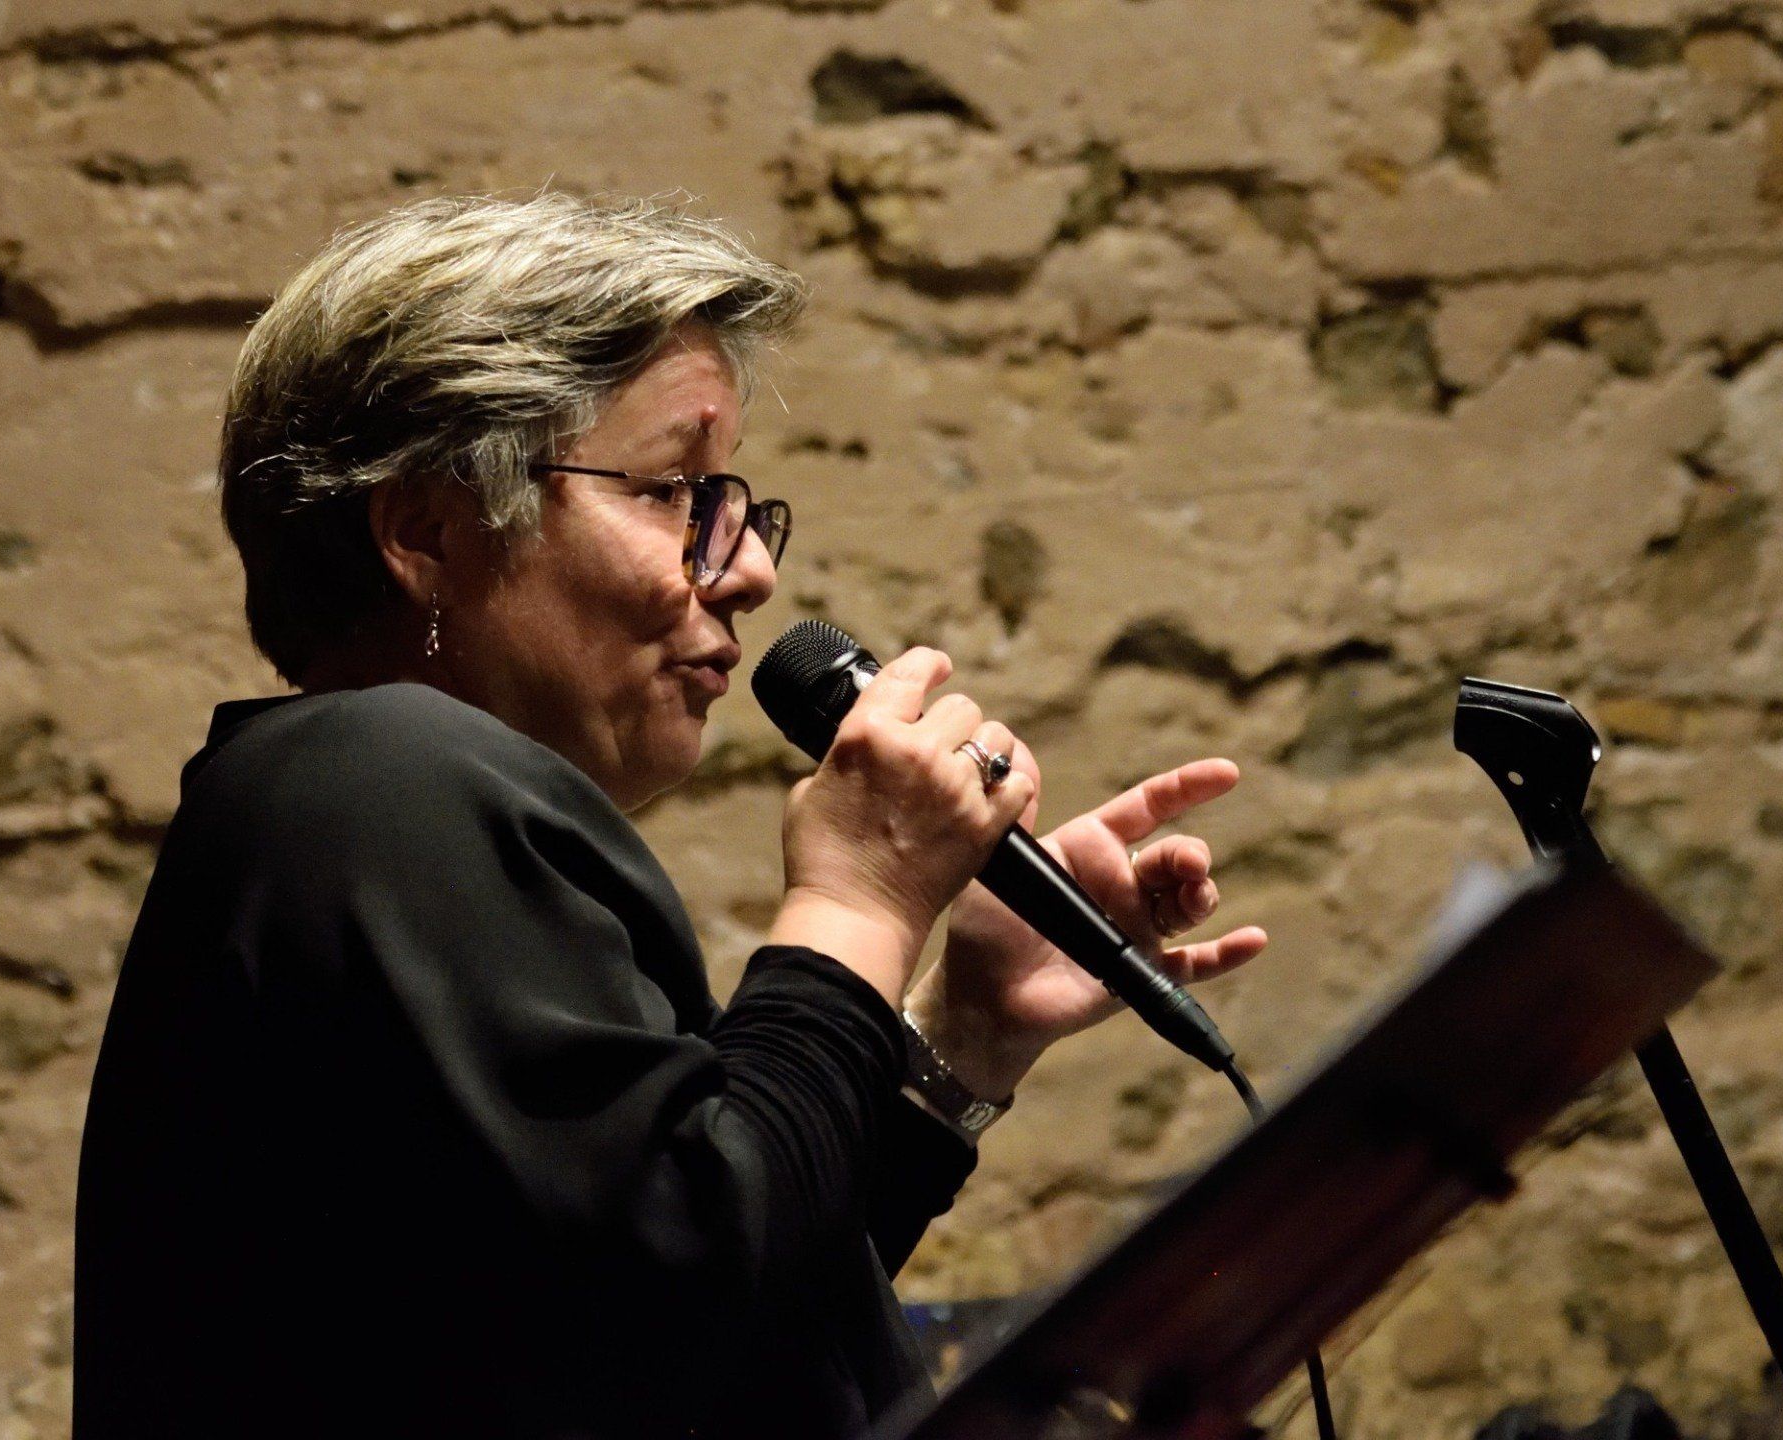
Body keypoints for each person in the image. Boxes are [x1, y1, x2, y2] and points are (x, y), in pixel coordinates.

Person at [72, 193, 1269, 1440]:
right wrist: (855, 899)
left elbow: (719, 1335)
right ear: (426, 533)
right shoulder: (374, 776)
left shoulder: (359, 810)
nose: (749, 568)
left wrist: (963, 1034)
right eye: (670, 492)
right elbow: (675, 1280)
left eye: (732, 502)